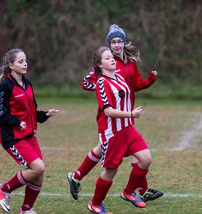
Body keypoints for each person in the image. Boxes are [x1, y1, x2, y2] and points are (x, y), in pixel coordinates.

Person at [67, 24, 163, 202]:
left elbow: (136, 85)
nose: (117, 45)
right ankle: (140, 190)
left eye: (120, 41)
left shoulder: (130, 63)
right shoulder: (107, 63)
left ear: (125, 43)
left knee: (121, 152)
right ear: (109, 45)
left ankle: (77, 177)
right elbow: (86, 83)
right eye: (113, 42)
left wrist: (150, 80)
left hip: (126, 116)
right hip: (110, 117)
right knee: (116, 156)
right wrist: (104, 88)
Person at [0, 48, 60, 214]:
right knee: (38, 167)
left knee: (39, 172)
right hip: (12, 137)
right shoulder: (5, 86)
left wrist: (44, 115)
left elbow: (31, 111)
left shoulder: (27, 84)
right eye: (20, 61)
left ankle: (26, 210)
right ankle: (4, 189)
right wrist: (16, 122)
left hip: (28, 135)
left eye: (25, 60)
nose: (25, 63)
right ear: (11, 65)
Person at [87, 46, 154, 214]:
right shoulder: (102, 83)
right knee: (111, 171)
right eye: (108, 58)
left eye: (112, 57)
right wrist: (130, 113)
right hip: (112, 133)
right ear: (100, 65)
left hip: (127, 129)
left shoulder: (119, 78)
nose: (112, 59)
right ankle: (95, 203)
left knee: (145, 159)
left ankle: (129, 192)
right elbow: (108, 111)